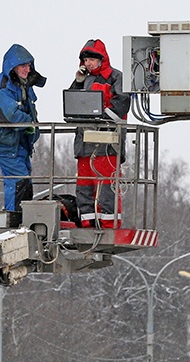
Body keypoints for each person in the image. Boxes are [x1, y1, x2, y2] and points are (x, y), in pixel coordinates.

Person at [69, 39, 131, 228]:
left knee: (106, 185)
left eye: (91, 60)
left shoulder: (116, 77)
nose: (88, 64)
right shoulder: (83, 80)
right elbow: (72, 102)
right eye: (85, 60)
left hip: (107, 143)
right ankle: (87, 220)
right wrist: (78, 83)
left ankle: (109, 222)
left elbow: (121, 103)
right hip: (85, 142)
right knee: (84, 184)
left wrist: (101, 118)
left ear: (101, 59)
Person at [0, 44, 45, 224]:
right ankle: (13, 218)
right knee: (17, 179)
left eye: (29, 66)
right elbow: (10, 114)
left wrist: (31, 127)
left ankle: (23, 217)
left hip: (19, 142)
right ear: (12, 67)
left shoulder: (22, 85)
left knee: (24, 178)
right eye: (23, 66)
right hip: (5, 142)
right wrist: (29, 123)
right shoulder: (4, 86)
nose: (27, 70)